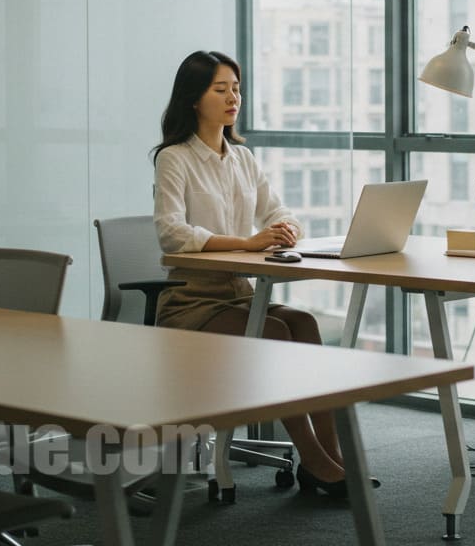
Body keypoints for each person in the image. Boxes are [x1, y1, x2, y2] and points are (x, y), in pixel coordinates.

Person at [152, 50, 371, 498]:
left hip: (237, 292)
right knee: (274, 333)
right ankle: (312, 459)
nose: (233, 97)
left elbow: (277, 209)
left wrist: (287, 227)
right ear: (194, 98)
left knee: (304, 324)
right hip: (191, 300)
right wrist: (248, 243)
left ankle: (330, 457)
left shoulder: (244, 159)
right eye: (220, 89)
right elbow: (171, 234)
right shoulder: (174, 158)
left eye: (236, 88)